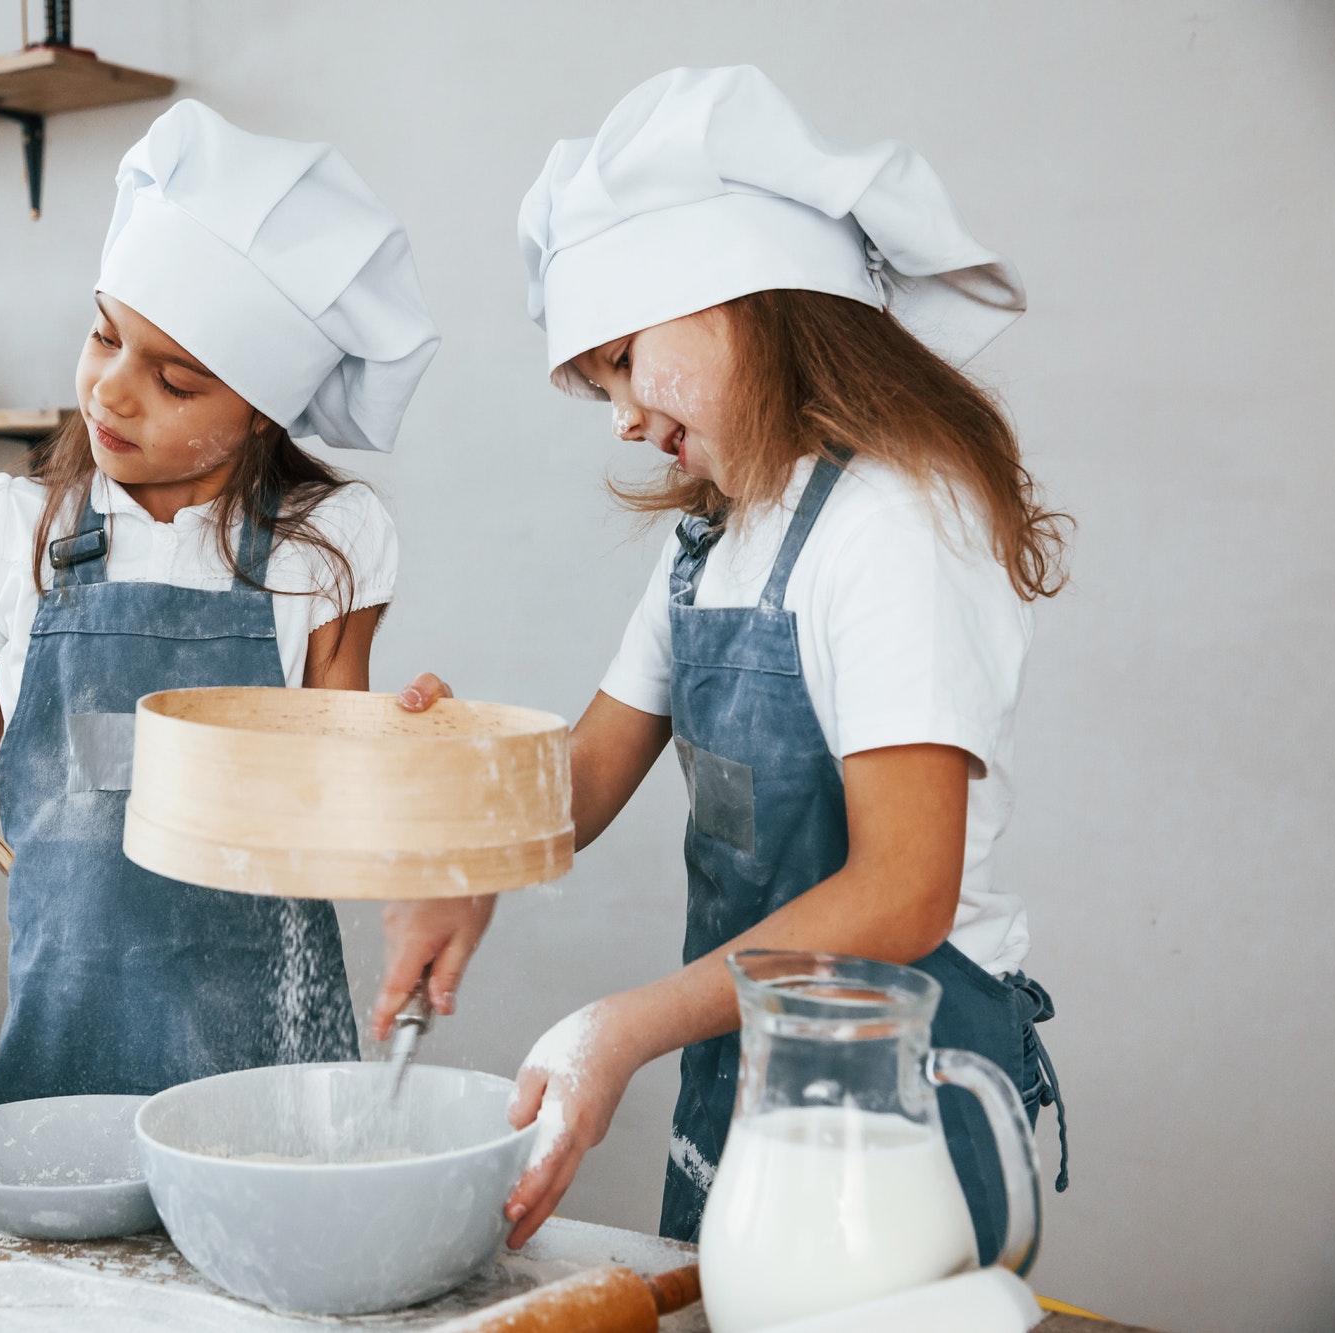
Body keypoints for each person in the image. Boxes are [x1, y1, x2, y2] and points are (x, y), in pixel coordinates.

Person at [388, 65, 1069, 1260]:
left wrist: (621, 1026)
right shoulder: (712, 540)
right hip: (748, 1058)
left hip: (900, 1094)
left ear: (743, 302)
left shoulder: (896, 527)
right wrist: (466, 834)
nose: (618, 417)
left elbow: (901, 889)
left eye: (620, 360)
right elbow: (590, 771)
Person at [0, 99, 439, 1104]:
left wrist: (413, 755)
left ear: (257, 413)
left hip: (267, 1041)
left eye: (172, 381)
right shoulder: (10, 528)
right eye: (103, 337)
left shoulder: (323, 548)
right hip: (68, 1024)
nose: (111, 392)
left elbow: (341, 805)